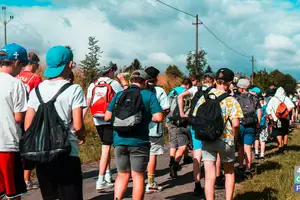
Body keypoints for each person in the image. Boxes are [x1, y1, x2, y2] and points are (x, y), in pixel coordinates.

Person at [24, 46, 86, 200]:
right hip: (67, 152)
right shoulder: (74, 89)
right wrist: (81, 135)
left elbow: (28, 126)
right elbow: (77, 126)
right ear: (70, 64)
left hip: (43, 154)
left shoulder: (36, 90)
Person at [104, 70, 163, 200]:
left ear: (131, 81)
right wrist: (145, 118)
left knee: (122, 175)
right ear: (146, 82)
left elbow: (107, 117)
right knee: (138, 176)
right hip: (139, 142)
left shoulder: (119, 94)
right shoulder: (148, 95)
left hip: (119, 140)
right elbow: (159, 117)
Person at [198, 68, 243, 200]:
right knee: (229, 172)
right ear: (229, 83)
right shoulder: (231, 100)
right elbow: (235, 124)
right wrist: (235, 139)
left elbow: (196, 116)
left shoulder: (204, 97)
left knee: (209, 175)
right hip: (226, 140)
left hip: (207, 138)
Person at [84, 62, 128, 191]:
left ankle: (108, 176)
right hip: (110, 119)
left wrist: (80, 121)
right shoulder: (113, 83)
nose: (113, 72)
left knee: (105, 146)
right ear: (109, 71)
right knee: (106, 148)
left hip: (97, 119)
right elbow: (126, 95)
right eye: (113, 69)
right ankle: (101, 179)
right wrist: (123, 81)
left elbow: (87, 104)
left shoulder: (93, 84)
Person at [178, 73, 217, 195]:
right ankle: (210, 184)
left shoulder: (195, 89)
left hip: (195, 125)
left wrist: (182, 113)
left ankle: (197, 183)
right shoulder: (215, 91)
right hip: (210, 127)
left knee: (197, 154)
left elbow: (180, 96)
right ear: (213, 81)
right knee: (210, 155)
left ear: (203, 81)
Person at [0, 43, 29, 200]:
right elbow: (19, 117)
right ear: (17, 63)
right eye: (23, 65)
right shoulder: (16, 83)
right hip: (8, 143)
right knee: (13, 193)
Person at [16, 52, 42, 190]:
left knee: (16, 149)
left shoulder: (15, 76)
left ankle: (17, 177)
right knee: (29, 148)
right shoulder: (35, 78)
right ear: (33, 64)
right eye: (37, 64)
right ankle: (26, 179)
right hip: (28, 117)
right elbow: (39, 98)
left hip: (14, 117)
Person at [144, 67, 170, 193]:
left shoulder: (138, 90)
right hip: (154, 128)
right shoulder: (159, 91)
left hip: (137, 128)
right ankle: (150, 182)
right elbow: (166, 109)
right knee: (152, 154)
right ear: (156, 78)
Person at [166, 78, 192, 178]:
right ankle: (175, 164)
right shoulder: (187, 92)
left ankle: (171, 160)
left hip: (171, 119)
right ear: (188, 85)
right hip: (182, 121)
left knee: (173, 143)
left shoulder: (172, 91)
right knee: (182, 145)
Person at [236, 79, 262, 179]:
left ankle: (240, 166)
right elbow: (259, 111)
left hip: (240, 124)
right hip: (251, 124)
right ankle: (248, 168)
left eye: (238, 87)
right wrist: (258, 123)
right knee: (248, 146)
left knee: (240, 146)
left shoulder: (236, 98)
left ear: (241, 88)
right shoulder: (254, 97)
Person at [266, 87, 294, 153]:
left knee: (278, 132)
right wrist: (285, 113)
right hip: (285, 118)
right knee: (285, 132)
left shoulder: (273, 99)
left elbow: (268, 108)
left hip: (275, 118)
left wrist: (270, 116)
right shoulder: (286, 98)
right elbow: (291, 106)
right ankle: (285, 146)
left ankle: (280, 147)